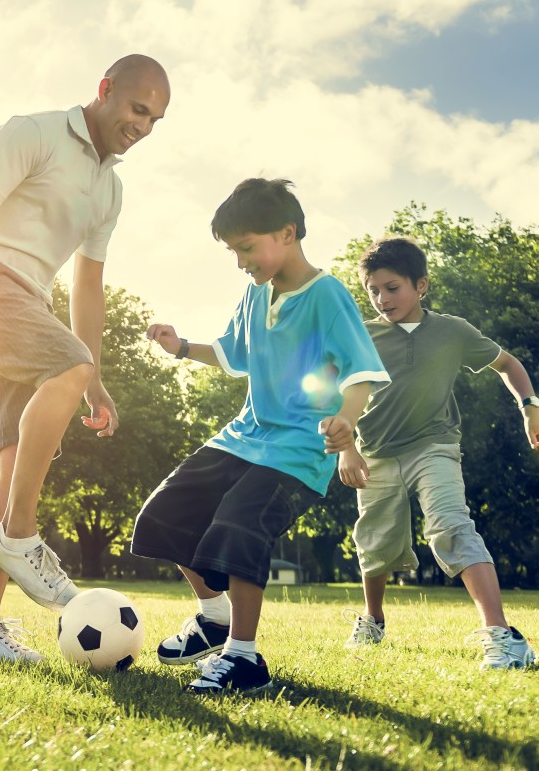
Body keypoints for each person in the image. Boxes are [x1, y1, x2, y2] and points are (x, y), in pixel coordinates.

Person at [0, 55, 171, 662]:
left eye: (155, 120)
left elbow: (87, 287)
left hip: (28, 302)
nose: (143, 127)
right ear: (105, 89)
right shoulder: (33, 133)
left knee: (15, 456)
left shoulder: (110, 190)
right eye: (138, 109)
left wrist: (94, 379)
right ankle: (19, 534)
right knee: (67, 366)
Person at [131, 178, 391, 695]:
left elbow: (360, 371)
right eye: (233, 251)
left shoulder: (327, 295)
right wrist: (180, 347)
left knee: (239, 524)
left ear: (286, 234)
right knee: (165, 512)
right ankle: (215, 616)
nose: (240, 261)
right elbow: (234, 353)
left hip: (297, 449)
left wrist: (347, 419)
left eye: (246, 248)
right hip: (244, 436)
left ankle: (243, 657)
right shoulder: (255, 293)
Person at [338, 236, 539, 670]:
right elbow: (339, 395)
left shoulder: (452, 331)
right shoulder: (362, 336)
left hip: (433, 446)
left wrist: (531, 409)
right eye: (373, 290)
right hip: (375, 453)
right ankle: (373, 619)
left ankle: (502, 636)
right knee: (376, 542)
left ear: (421, 285)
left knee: (451, 527)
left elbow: (508, 364)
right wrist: (346, 449)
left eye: (392, 288)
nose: (382, 299)